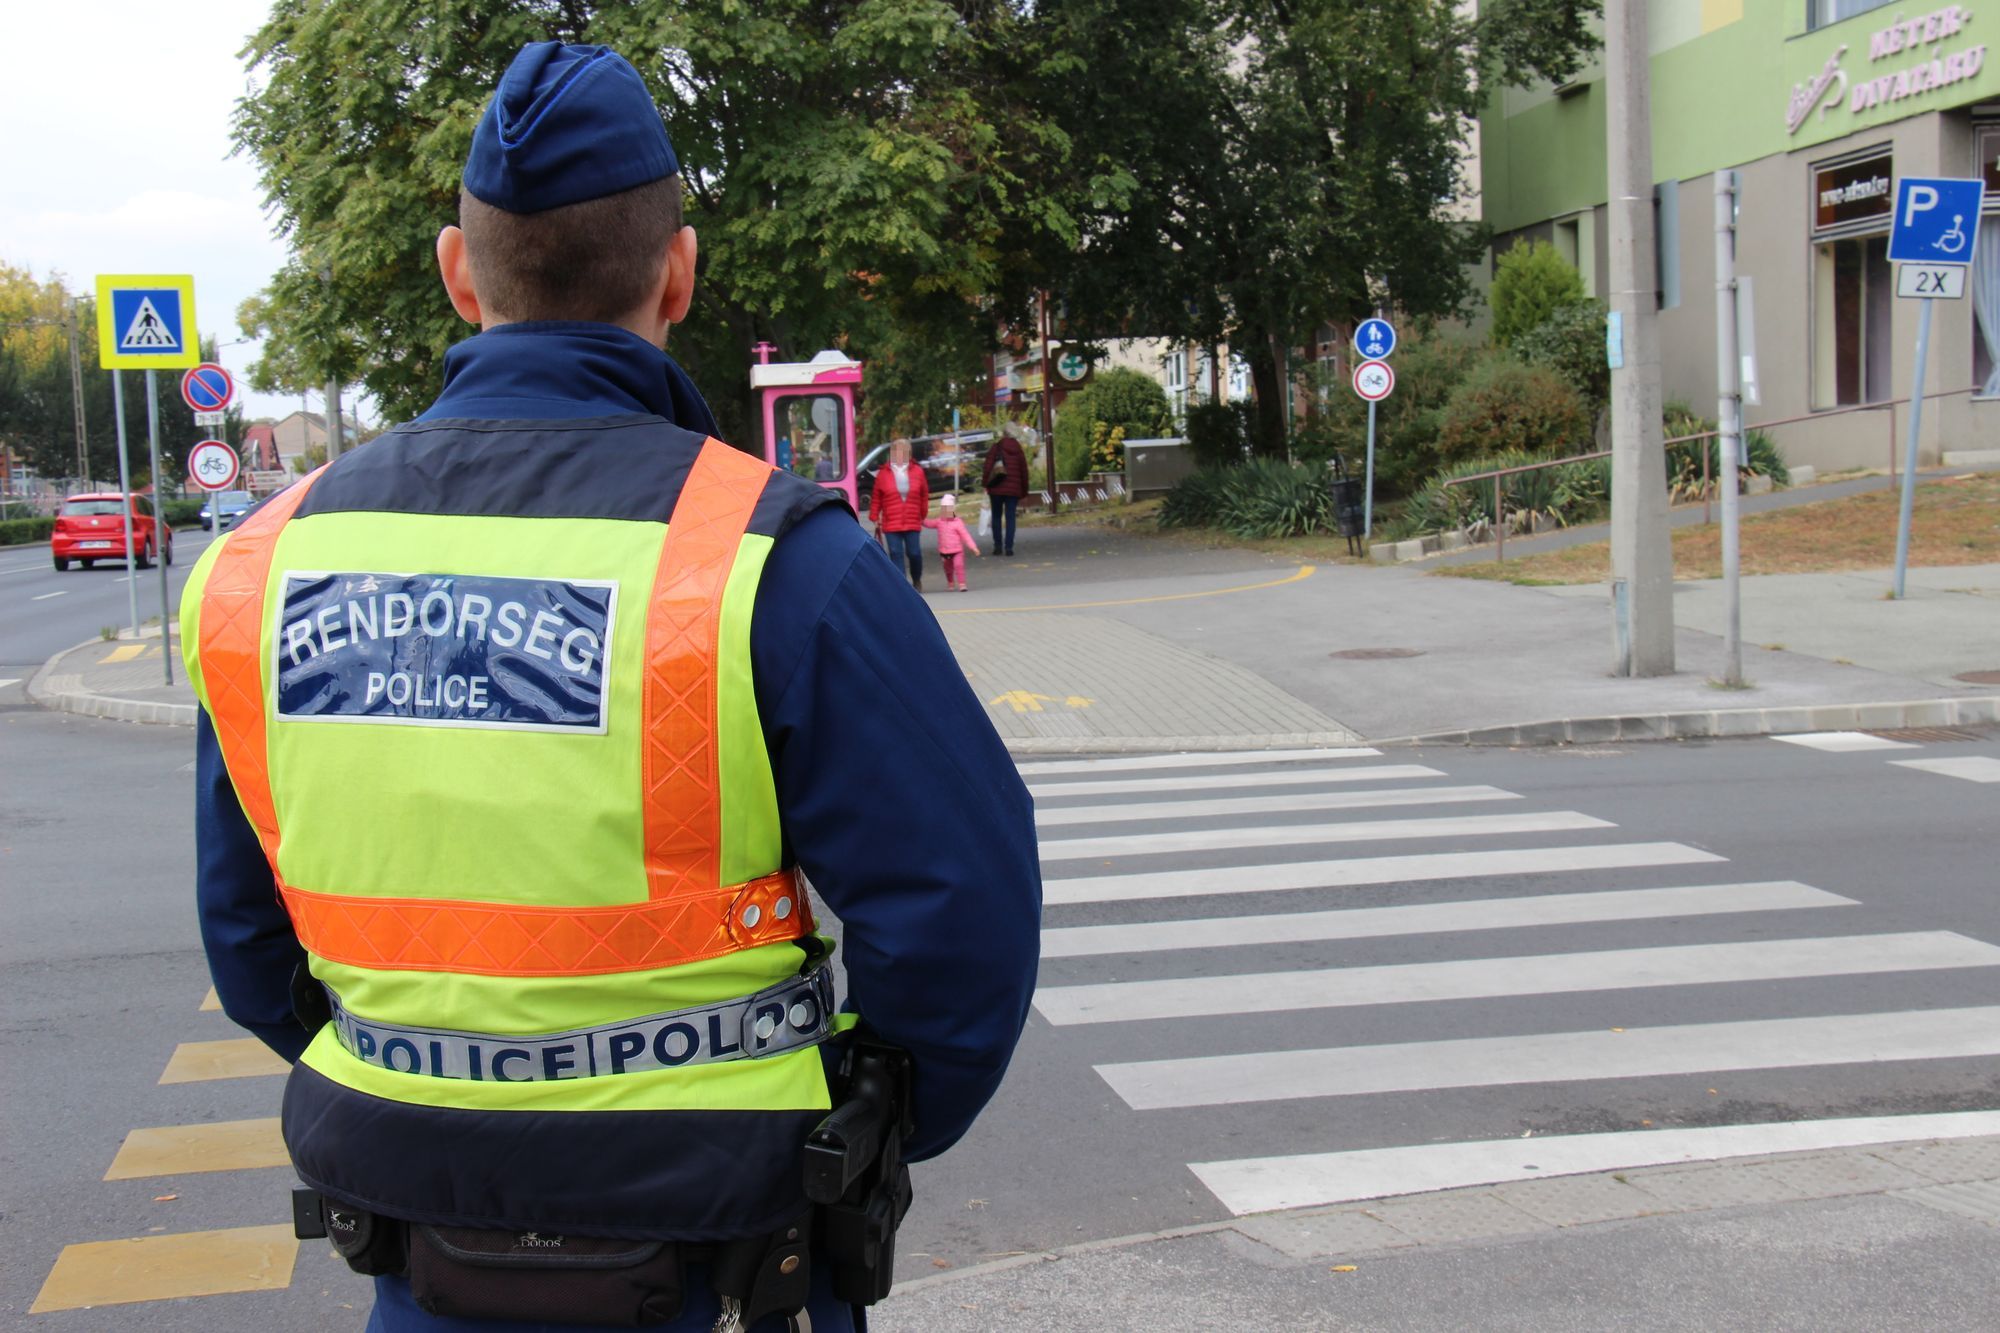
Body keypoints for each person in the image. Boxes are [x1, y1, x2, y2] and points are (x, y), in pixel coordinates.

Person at [180, 41, 1040, 1333]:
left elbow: (250, 946)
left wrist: (431, 1082)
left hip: (424, 1255)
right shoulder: (769, 558)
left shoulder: (263, 567)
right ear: (677, 273)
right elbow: (963, 909)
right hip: (727, 1261)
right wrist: (868, 1121)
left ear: (458, 274)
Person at [869, 438, 929, 589]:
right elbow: (877, 497)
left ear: (909, 453)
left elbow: (924, 495)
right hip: (891, 522)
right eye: (897, 451)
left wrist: (922, 514)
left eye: (904, 451)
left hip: (912, 519)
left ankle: (917, 579)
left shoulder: (918, 471)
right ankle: (903, 587)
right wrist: (875, 516)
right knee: (896, 554)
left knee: (914, 553)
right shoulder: (883, 473)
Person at [981, 424, 1029, 557]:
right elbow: (1024, 471)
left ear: (1004, 433)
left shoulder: (996, 447)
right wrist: (1024, 491)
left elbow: (987, 467)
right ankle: (1009, 547)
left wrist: (985, 484)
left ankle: (997, 546)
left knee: (996, 516)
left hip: (996, 487)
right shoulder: (1018, 449)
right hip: (1013, 490)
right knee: (1010, 517)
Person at [922, 493, 980, 592]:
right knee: (948, 569)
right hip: (944, 551)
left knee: (959, 565)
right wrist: (919, 519)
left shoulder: (958, 523)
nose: (946, 511)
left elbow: (965, 536)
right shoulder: (939, 521)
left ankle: (962, 583)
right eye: (944, 509)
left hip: (957, 550)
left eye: (949, 509)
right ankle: (950, 582)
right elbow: (928, 523)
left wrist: (973, 547)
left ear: (953, 510)